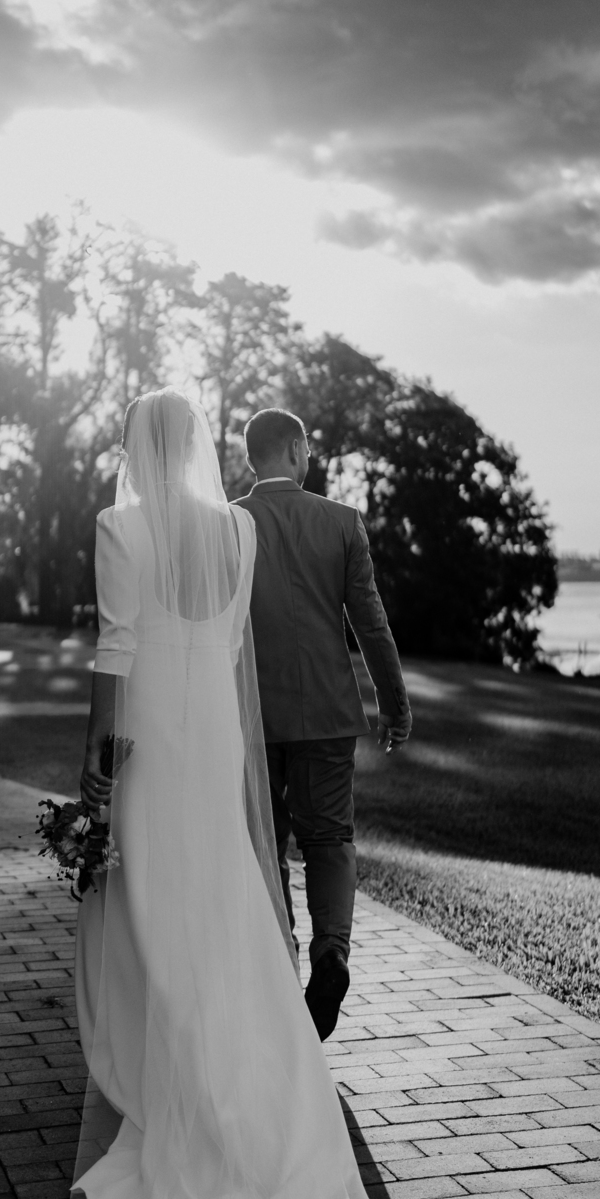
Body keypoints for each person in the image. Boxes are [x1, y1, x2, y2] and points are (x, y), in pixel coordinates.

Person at [60, 389, 494, 1199]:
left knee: (160, 915)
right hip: (220, 743)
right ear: (222, 449)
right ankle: (265, 1049)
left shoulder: (131, 526)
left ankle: (183, 1088)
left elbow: (114, 654)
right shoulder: (243, 531)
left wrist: (93, 770)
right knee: (240, 908)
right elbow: (270, 644)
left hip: (157, 740)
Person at [234, 408, 411, 1040]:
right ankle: (331, 951)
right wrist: (394, 701)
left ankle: (280, 964)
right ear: (296, 449)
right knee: (330, 840)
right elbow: (371, 621)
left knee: (265, 844)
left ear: (253, 457)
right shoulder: (341, 523)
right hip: (328, 715)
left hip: (249, 717)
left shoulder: (226, 524)